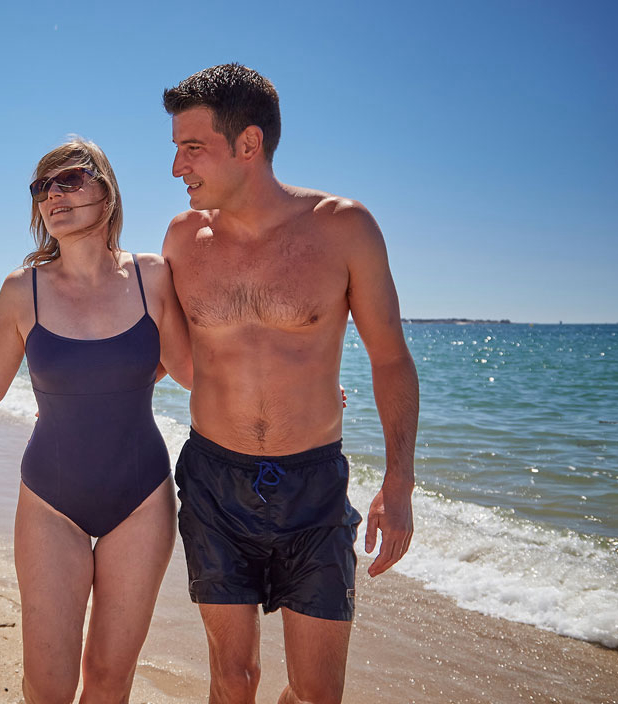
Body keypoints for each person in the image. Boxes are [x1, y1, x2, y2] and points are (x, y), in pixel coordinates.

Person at [161, 64, 420, 704]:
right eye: (175, 149)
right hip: (215, 482)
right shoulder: (180, 240)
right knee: (234, 678)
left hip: (313, 489)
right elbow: (169, 351)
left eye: (192, 148)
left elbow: (389, 359)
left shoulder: (343, 228)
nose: (176, 167)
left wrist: (399, 481)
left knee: (316, 693)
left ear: (248, 145)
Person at [0, 138, 192, 703]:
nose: (54, 195)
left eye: (70, 180)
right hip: (50, 502)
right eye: (42, 187)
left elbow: (193, 372)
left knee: (110, 682)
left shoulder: (153, 277)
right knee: (48, 685)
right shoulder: (22, 290)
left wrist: (291, 397)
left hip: (141, 500)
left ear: (107, 194)